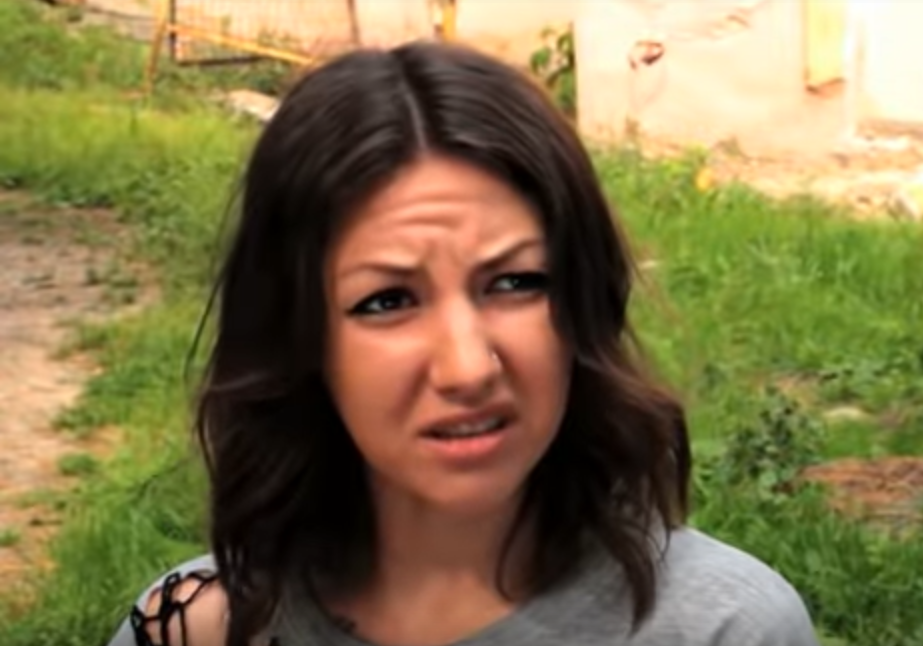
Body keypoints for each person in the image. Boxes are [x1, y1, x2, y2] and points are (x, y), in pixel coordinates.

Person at [107, 40, 820, 646]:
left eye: (514, 283)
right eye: (387, 300)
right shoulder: (196, 628)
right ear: (300, 338)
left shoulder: (722, 629)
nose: (468, 367)